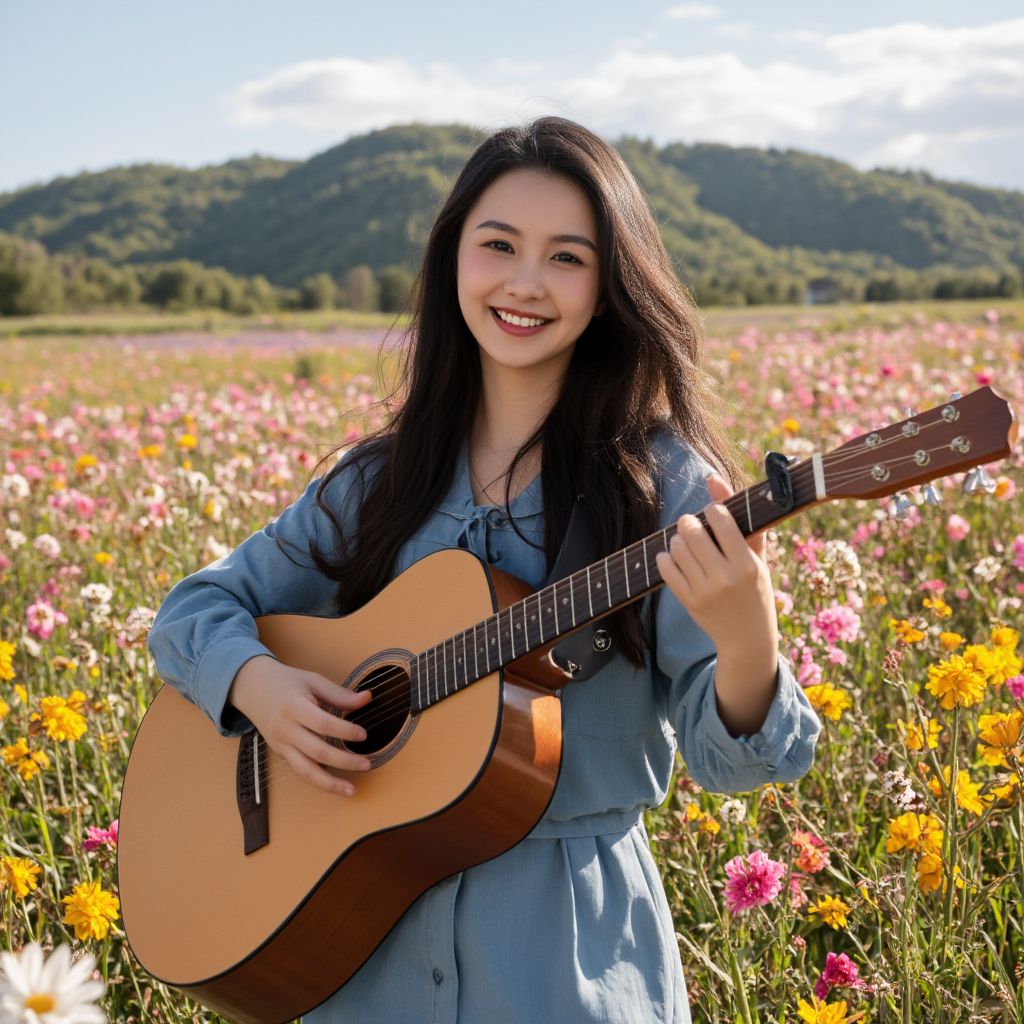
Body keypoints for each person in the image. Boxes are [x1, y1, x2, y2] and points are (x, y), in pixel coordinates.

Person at [147, 116, 821, 1024]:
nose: (525, 282)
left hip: (564, 961)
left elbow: (737, 763)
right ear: (452, 258)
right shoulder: (381, 481)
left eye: (568, 258)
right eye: (497, 243)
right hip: (360, 956)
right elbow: (197, 608)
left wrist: (747, 641)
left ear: (611, 286)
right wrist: (260, 687)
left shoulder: (660, 488)